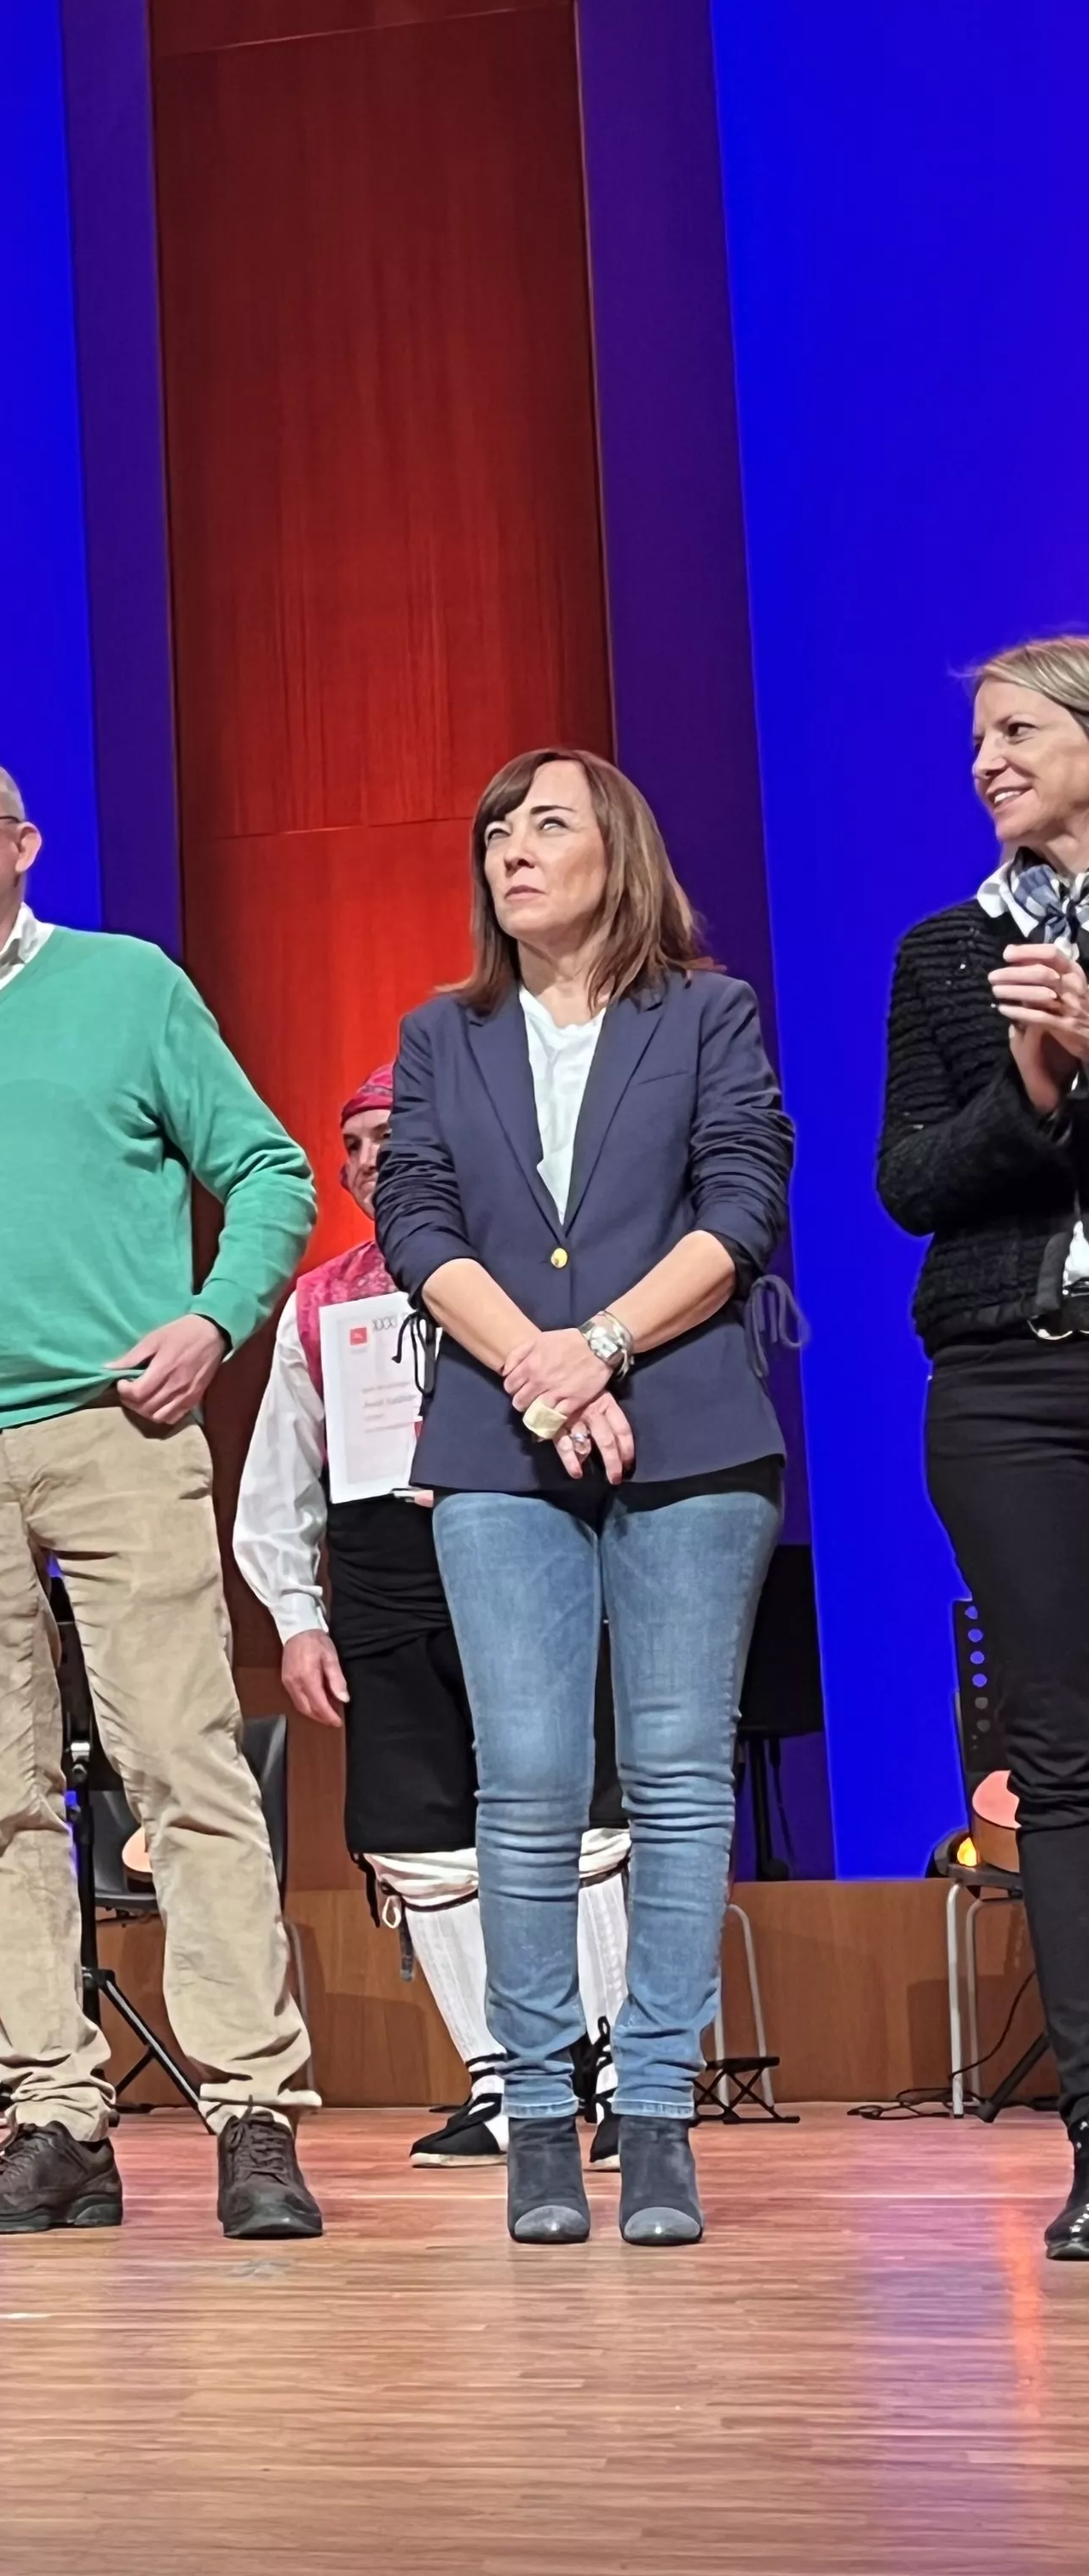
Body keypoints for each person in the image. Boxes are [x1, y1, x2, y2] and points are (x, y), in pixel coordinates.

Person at [0, 752, 326, 2240]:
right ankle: (55, 2117)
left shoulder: (127, 987)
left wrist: (212, 1322)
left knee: (187, 1768)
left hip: (116, 1425)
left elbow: (272, 1173)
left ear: (24, 846)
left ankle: (252, 2115)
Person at [375, 748, 791, 2251]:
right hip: (495, 1440)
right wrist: (540, 1370)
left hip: (685, 1430)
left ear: (618, 846)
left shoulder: (707, 1011)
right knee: (530, 1781)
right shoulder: (443, 1032)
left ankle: (662, 2108)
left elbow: (743, 1202)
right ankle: (541, 2111)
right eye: (495, 828)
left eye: (546, 822)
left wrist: (602, 1345)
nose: (512, 847)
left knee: (679, 1781)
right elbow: (413, 1215)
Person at [231, 1061, 631, 2170]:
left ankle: (600, 2069)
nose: (371, 1158)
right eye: (354, 1142)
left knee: (575, 1811)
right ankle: (504, 2083)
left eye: (390, 1136)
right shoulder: (320, 1301)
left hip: (527, 1548)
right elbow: (278, 1479)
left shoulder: (534, 1274)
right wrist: (296, 1618)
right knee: (417, 1835)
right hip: (383, 1577)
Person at [879, 635, 1089, 2257]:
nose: (988, 761)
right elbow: (911, 1184)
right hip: (1010, 1388)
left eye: (1017, 731)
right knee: (1064, 1764)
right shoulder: (950, 954)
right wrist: (1029, 1078)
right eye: (978, 740)